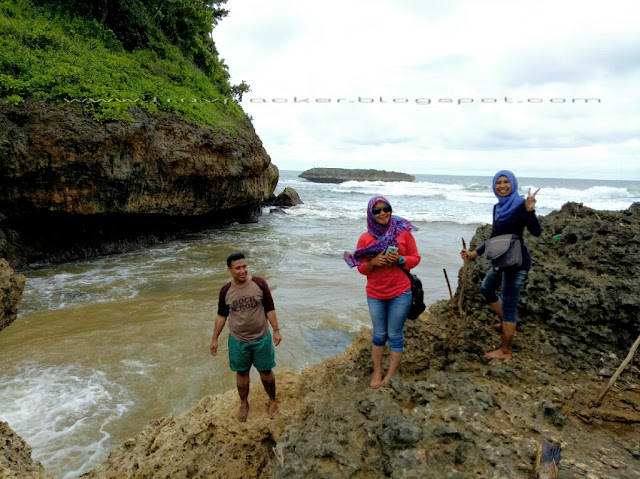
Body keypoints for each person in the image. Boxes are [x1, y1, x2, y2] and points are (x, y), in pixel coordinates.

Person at [461, 170, 542, 361]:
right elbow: (494, 237)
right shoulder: (498, 207)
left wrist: (530, 211)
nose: (502, 185)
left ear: (513, 184)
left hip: (517, 262)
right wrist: (475, 253)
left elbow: (537, 232)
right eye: (498, 182)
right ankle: (506, 322)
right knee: (486, 289)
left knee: (510, 305)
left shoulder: (521, 205)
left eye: (506, 182)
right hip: (501, 259)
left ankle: (506, 351)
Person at [344, 196, 421, 388]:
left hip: (401, 292)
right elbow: (361, 268)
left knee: (394, 334)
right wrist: (373, 262)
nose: (383, 213)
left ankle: (391, 374)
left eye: (386, 208)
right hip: (376, 294)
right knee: (379, 334)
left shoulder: (402, 233)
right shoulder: (365, 238)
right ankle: (377, 372)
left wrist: (400, 260)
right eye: (377, 211)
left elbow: (415, 258)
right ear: (371, 214)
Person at [210, 252, 282, 421]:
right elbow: (221, 316)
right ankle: (244, 403)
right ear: (229, 270)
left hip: (261, 338)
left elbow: (270, 309)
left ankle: (272, 400)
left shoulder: (259, 284)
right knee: (241, 373)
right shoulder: (226, 291)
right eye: (238, 268)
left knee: (266, 371)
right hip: (238, 341)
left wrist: (276, 330)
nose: (242, 271)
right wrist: (214, 339)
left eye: (244, 266)